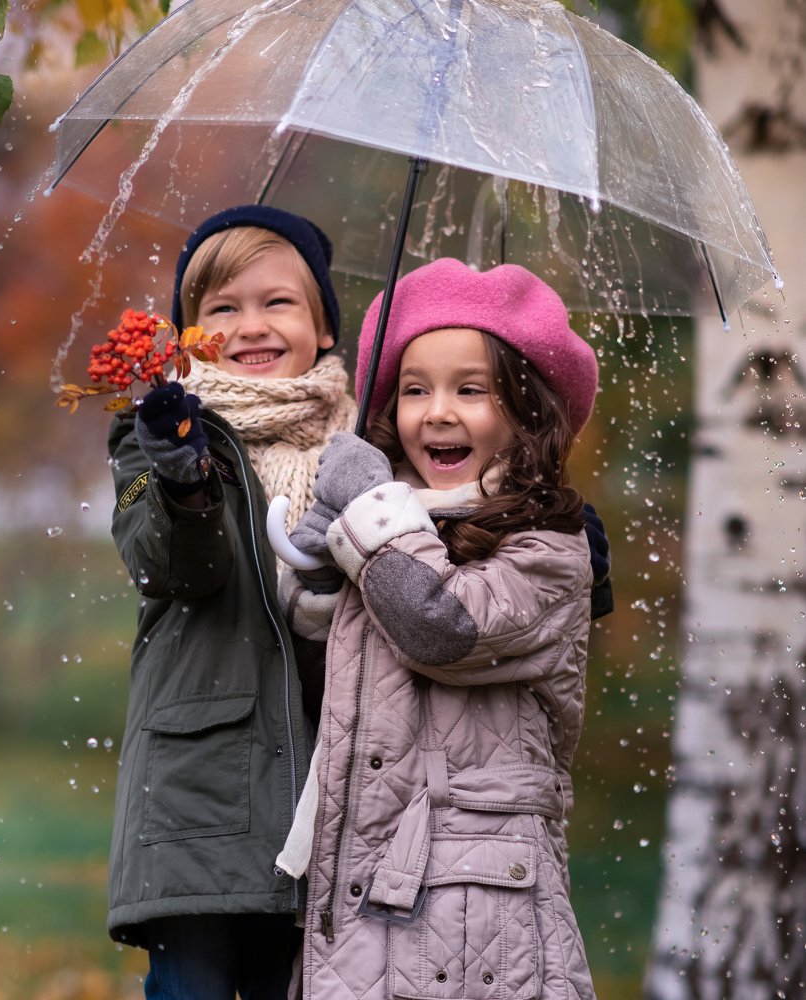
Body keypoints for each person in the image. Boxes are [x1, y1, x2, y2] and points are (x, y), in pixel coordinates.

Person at [277, 257, 601, 999]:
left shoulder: (550, 547)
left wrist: (369, 514)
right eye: (415, 389)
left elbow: (444, 629)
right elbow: (331, 669)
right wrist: (323, 569)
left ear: (526, 413)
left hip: (475, 919)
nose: (437, 412)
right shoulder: (400, 528)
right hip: (363, 894)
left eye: (471, 389)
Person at [104, 204, 356, 1000]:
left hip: (333, 791)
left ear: (323, 327)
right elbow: (175, 567)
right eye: (221, 308)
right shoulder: (156, 437)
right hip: (200, 791)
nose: (250, 326)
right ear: (188, 336)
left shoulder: (367, 444)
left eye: (277, 302)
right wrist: (181, 478)